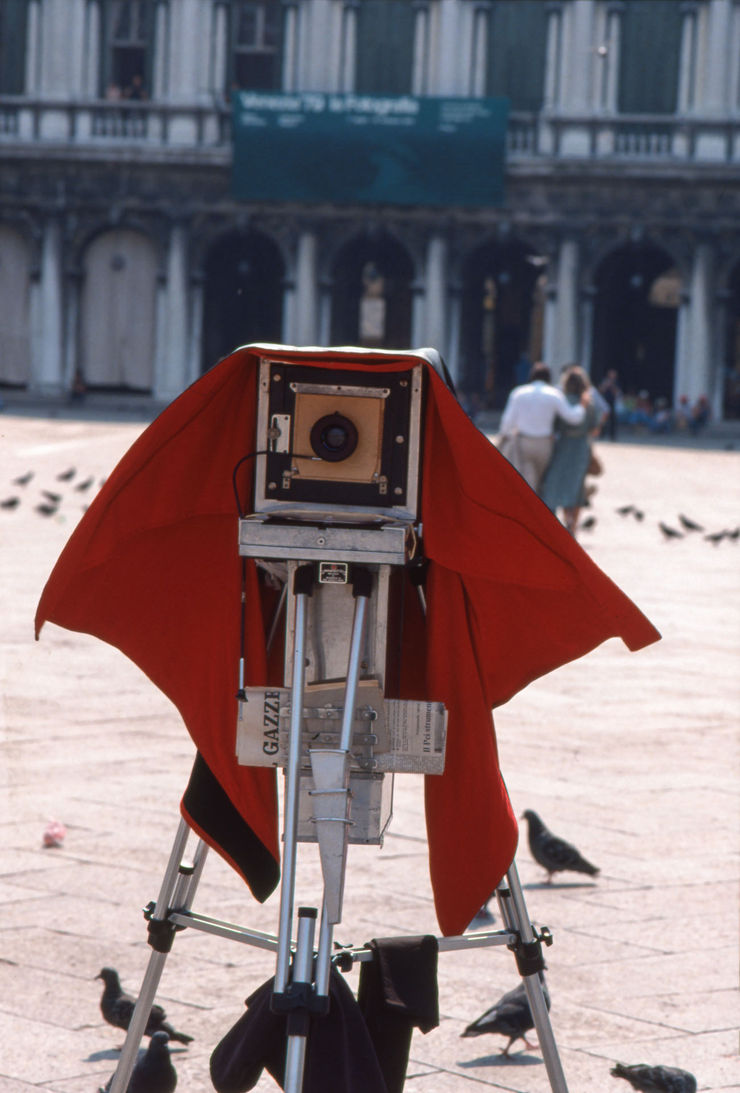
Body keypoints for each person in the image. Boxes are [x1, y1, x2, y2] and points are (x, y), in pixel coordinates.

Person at [498, 361, 586, 492]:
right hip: (545, 444)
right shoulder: (554, 394)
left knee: (527, 480)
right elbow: (573, 418)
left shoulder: (519, 393)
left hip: (524, 441)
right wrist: (582, 406)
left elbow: (507, 421)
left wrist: (504, 437)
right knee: (539, 481)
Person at [540, 366, 603, 535]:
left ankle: (556, 525)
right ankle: (572, 525)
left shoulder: (562, 401)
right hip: (581, 447)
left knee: (556, 483)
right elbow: (595, 429)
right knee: (576, 488)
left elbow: (553, 426)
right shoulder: (589, 404)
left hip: (563, 445)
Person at [599, 369, 621, 441]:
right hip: (604, 402)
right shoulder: (604, 381)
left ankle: (613, 436)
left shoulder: (616, 383)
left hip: (612, 402)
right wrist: (606, 385)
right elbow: (601, 390)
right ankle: (601, 434)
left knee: (613, 419)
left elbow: (617, 393)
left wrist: (612, 386)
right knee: (603, 418)